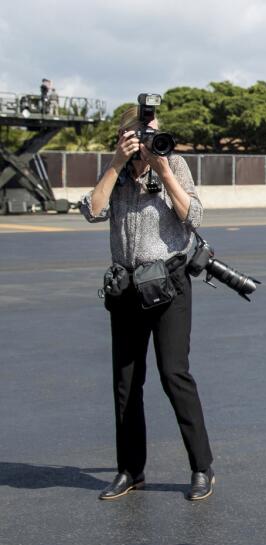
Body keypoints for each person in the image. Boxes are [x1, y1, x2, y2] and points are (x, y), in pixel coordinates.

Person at [81, 105, 216, 502]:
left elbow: (194, 215)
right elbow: (92, 210)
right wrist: (115, 163)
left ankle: (201, 467)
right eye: (143, 132)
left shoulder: (173, 162)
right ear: (126, 136)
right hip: (126, 287)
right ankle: (130, 470)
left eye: (156, 131)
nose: (153, 138)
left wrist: (165, 172)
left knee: (175, 375)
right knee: (125, 384)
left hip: (168, 286)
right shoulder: (118, 173)